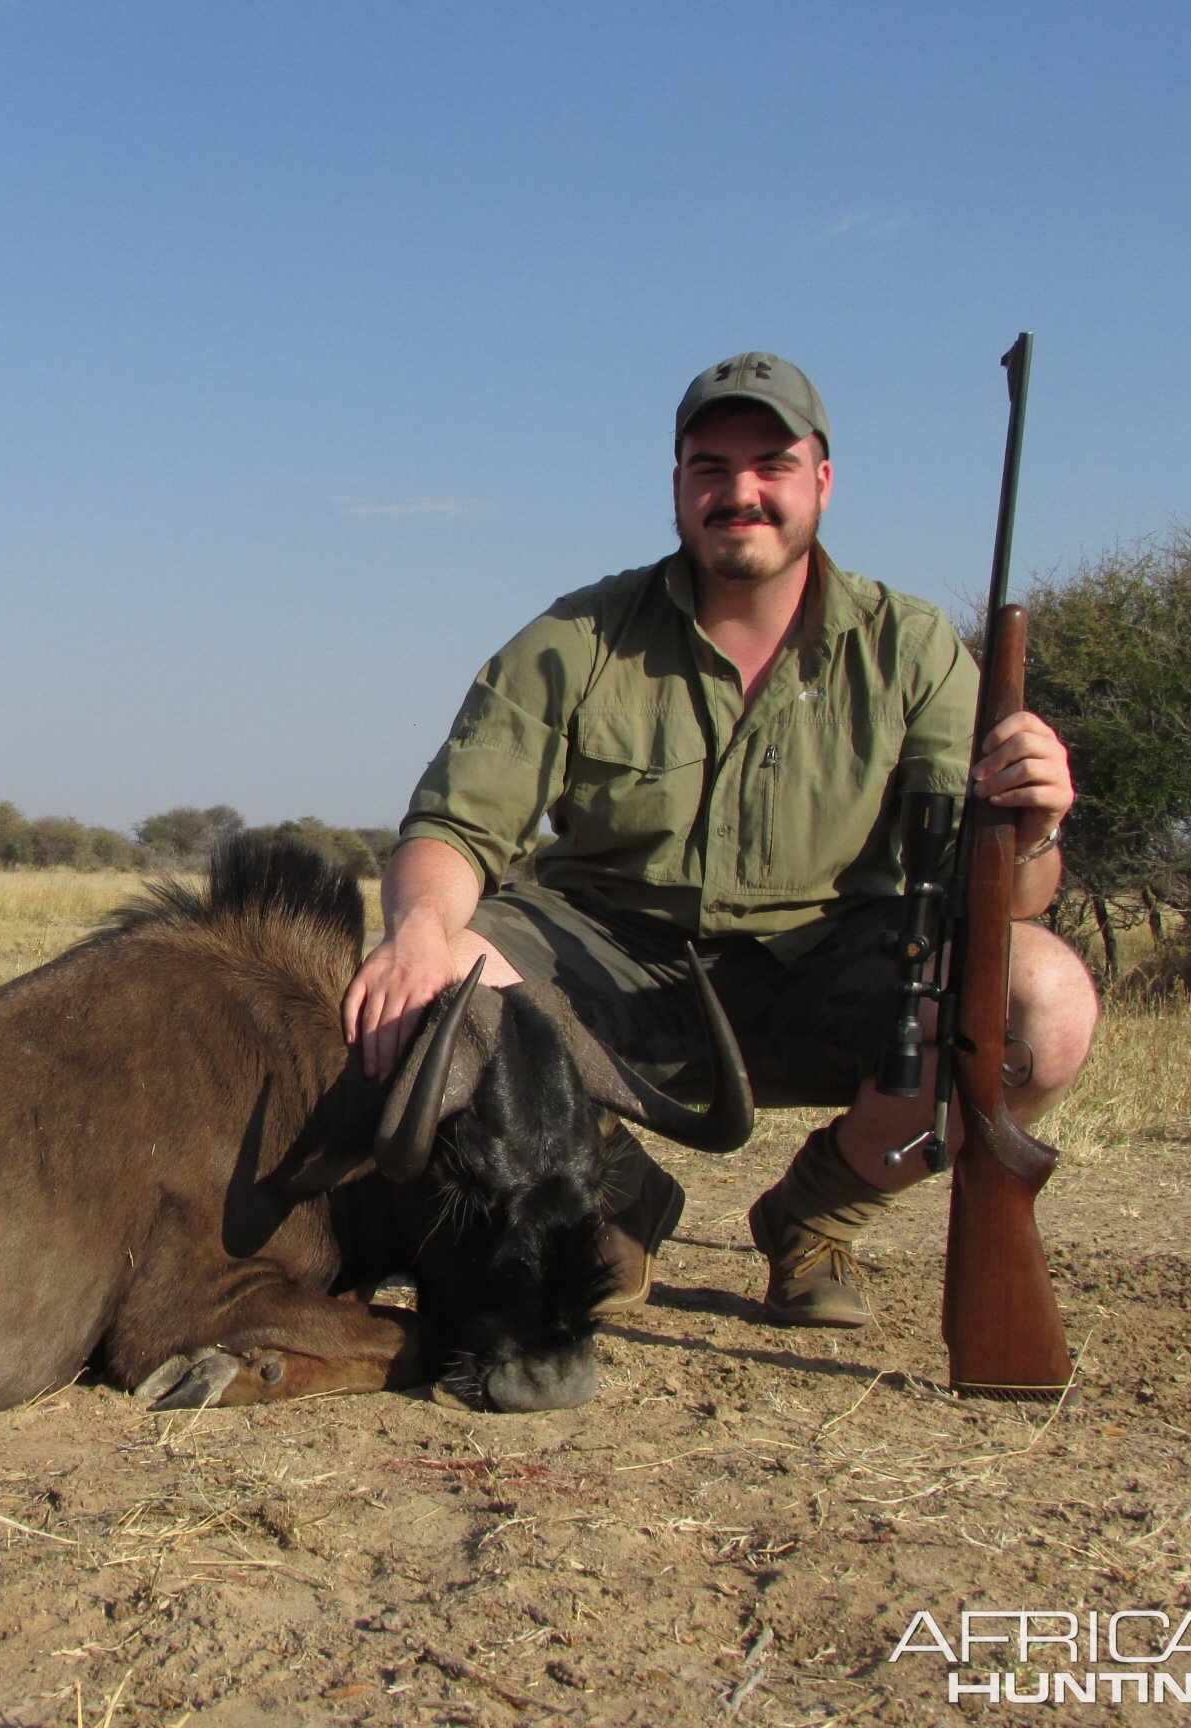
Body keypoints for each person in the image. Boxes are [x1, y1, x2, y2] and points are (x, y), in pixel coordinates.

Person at [340, 352, 1099, 1327]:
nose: (740, 493)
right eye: (710, 468)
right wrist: (414, 933)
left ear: (822, 482)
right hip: (603, 964)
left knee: (1045, 1002)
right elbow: (454, 826)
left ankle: (816, 1218)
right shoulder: (574, 637)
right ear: (677, 487)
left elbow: (1000, 893)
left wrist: (1030, 831)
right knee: (436, 978)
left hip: (828, 965)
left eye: (771, 466)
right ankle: (615, 1201)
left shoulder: (909, 648)